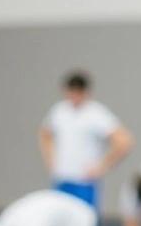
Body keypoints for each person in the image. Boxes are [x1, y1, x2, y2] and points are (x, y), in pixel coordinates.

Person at [37, 71, 133, 209]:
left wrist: (101, 166)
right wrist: (50, 160)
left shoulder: (96, 113)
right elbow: (44, 133)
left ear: (86, 92)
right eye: (71, 92)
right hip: (61, 178)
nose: (74, 97)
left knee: (84, 223)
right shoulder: (59, 111)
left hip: (83, 180)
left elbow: (124, 141)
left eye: (78, 92)